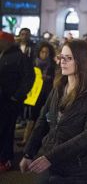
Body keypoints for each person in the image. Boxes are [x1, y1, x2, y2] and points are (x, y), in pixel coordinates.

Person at [20, 39, 87, 183]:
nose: (63, 62)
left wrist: (50, 157)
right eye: (61, 57)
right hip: (54, 167)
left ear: (82, 60)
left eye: (68, 58)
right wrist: (29, 153)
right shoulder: (59, 88)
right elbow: (43, 121)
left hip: (82, 171)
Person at [0, 31, 35, 173]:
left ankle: (5, 159)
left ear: (7, 42)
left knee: (6, 131)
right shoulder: (4, 56)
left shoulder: (20, 57)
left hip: (9, 101)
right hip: (3, 100)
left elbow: (29, 78)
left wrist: (17, 96)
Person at [18, 41, 57, 147]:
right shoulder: (33, 64)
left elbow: (56, 79)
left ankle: (43, 141)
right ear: (39, 52)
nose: (44, 54)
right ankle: (26, 139)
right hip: (35, 94)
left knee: (46, 118)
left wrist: (49, 78)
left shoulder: (53, 66)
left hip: (47, 94)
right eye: (43, 52)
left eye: (47, 52)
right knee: (32, 117)